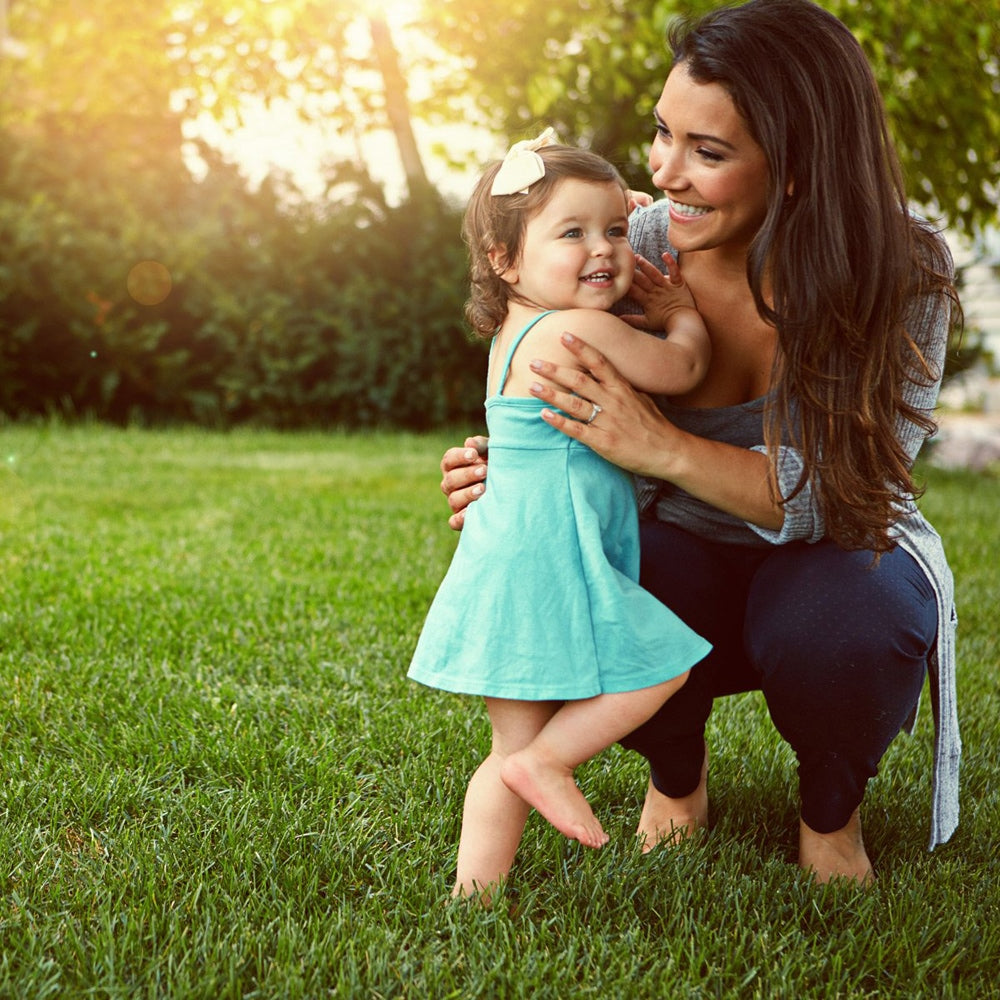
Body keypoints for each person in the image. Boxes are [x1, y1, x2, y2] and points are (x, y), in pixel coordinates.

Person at [440, 0, 962, 886]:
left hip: (834, 552)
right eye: (661, 134)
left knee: (851, 624)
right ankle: (677, 781)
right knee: (588, 570)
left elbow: (855, 492)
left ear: (795, 170)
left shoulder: (900, 271)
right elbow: (549, 379)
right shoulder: (635, 246)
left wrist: (664, 447)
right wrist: (510, 479)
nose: (663, 171)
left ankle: (830, 816)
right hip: (680, 547)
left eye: (706, 152)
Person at [408, 133, 712, 899]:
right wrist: (680, 312)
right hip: (552, 559)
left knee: (504, 749)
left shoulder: (523, 324)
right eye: (571, 234)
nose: (602, 250)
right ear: (505, 259)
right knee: (663, 666)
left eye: (614, 230)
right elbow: (681, 368)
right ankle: (552, 761)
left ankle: (475, 898)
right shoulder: (576, 329)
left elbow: (590, 269)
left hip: (507, 557)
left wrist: (606, 220)